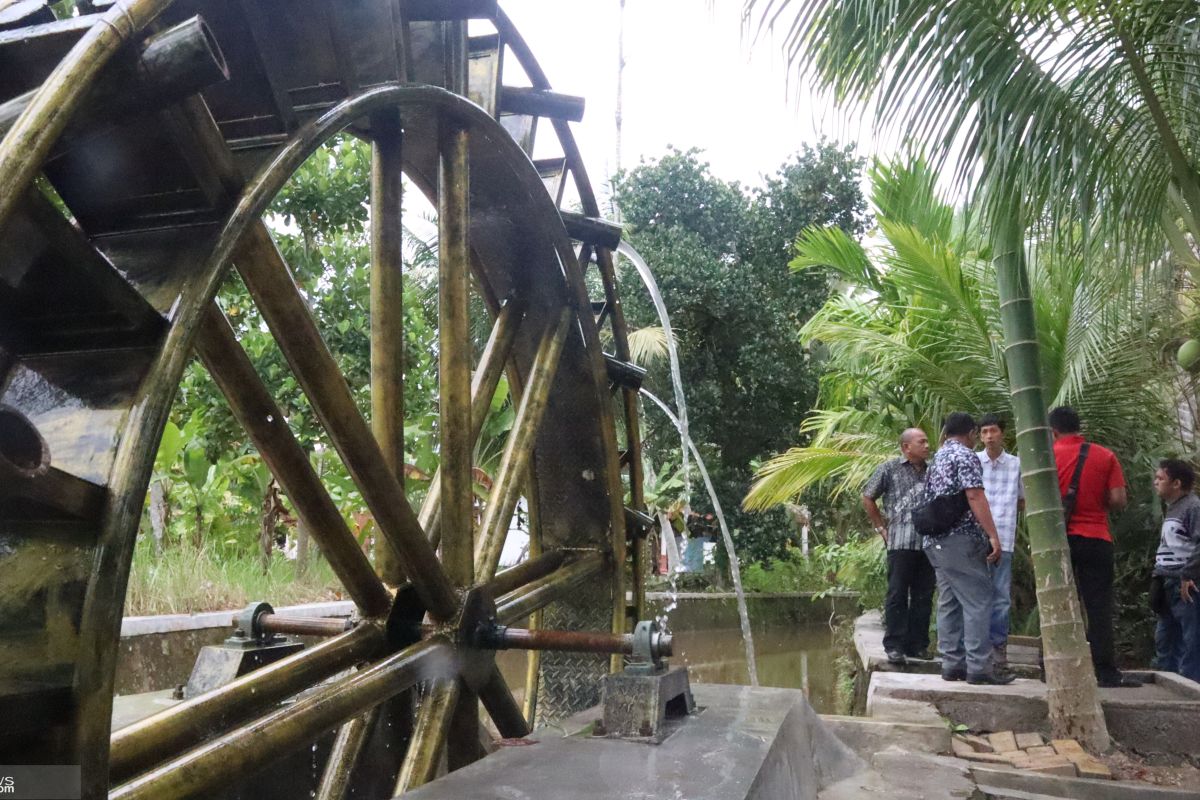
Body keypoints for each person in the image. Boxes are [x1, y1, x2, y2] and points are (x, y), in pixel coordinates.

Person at [1049, 406, 1141, 688]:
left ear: (1053, 431)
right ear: (1079, 427)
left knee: (1057, 604)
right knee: (1098, 606)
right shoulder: (1105, 455)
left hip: (1058, 541)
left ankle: (1052, 667)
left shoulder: (1046, 457)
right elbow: (1118, 499)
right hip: (1096, 537)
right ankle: (1106, 672)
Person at [922, 412, 1011, 685]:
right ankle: (979, 668)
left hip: (936, 541)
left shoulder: (937, 458)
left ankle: (952, 664)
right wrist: (993, 535)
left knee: (949, 601)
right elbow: (974, 494)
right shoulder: (965, 456)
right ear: (971, 433)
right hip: (961, 539)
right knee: (978, 600)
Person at [863, 428, 933, 664]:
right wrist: (880, 527)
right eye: (921, 442)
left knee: (924, 596)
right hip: (900, 541)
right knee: (897, 594)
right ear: (906, 447)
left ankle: (918, 645)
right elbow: (868, 496)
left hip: (928, 543)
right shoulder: (889, 468)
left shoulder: (933, 470)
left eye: (926, 442)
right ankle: (894, 646)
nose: (927, 445)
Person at [977, 414, 1024, 675]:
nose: (989, 436)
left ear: (1002, 433)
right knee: (975, 594)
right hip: (976, 539)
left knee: (1001, 597)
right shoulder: (974, 461)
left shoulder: (1017, 464)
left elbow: (1023, 499)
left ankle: (998, 649)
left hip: (1004, 537)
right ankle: (974, 648)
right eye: (984, 432)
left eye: (993, 431)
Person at [1151, 459, 1200, 682]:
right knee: (1165, 636)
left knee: (1191, 636)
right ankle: (1167, 679)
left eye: (1161, 478)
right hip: (1165, 578)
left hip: (1184, 581)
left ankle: (1191, 683)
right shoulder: (1172, 508)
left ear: (1177, 483)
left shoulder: (1192, 507)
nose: (1156, 482)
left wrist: (1189, 574)